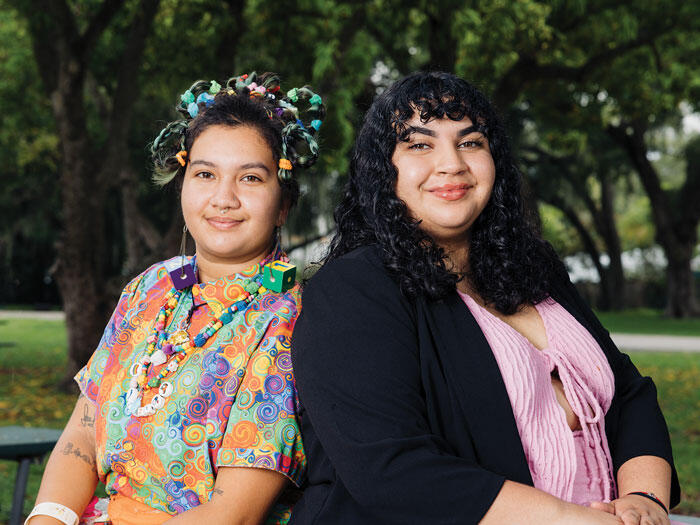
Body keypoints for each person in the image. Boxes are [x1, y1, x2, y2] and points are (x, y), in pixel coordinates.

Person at [290, 71, 680, 524]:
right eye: (419, 144)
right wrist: (573, 520)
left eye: (470, 142)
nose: (451, 163)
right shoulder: (351, 291)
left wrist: (644, 500)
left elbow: (628, 393)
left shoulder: (534, 268)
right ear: (382, 168)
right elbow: (392, 471)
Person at [27, 72, 325, 525]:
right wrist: (45, 519)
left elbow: (233, 514)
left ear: (283, 204)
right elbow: (82, 441)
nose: (223, 198)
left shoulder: (290, 320)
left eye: (250, 178)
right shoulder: (149, 289)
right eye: (205, 174)